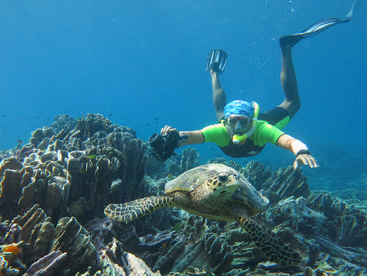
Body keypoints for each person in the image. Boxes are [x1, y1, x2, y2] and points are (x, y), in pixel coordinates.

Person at [151, 12, 355, 169]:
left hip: (261, 118)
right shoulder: (221, 130)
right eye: (233, 122)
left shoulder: (262, 128)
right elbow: (194, 135)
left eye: (243, 121)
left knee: (293, 102)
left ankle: (286, 48)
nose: (238, 127)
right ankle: (214, 72)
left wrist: (301, 151)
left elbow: (290, 141)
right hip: (229, 117)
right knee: (222, 111)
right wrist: (175, 138)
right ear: (226, 123)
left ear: (252, 120)